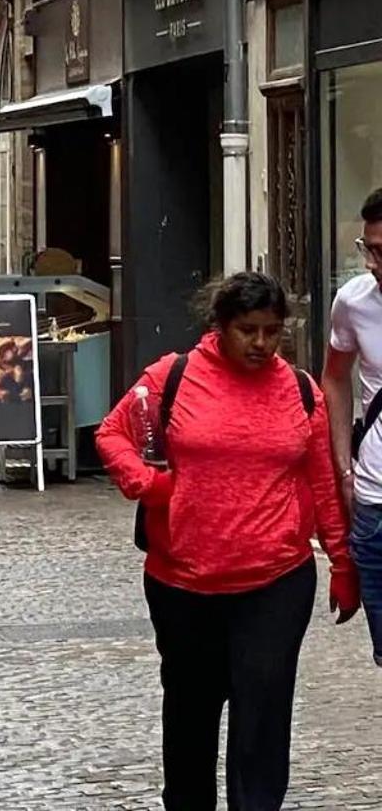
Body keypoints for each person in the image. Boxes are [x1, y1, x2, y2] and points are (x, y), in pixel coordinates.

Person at [96, 271, 358, 811]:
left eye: (272, 331)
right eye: (248, 330)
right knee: (191, 710)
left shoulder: (302, 390)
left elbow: (321, 483)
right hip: (184, 584)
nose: (261, 343)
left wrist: (341, 560)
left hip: (275, 582)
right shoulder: (175, 375)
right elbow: (112, 434)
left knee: (262, 713)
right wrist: (149, 484)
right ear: (220, 326)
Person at [323, 183, 382, 669]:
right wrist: (343, 467)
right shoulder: (353, 302)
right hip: (375, 498)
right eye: (368, 249)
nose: (372, 264)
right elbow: (335, 378)